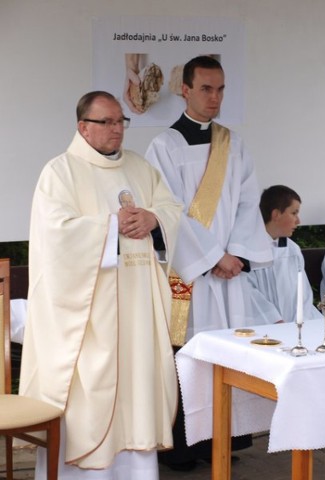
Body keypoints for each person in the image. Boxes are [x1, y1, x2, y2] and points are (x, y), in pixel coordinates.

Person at [19, 91, 182, 479]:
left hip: (137, 307)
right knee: (89, 394)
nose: (117, 130)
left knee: (135, 392)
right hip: (89, 316)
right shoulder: (60, 172)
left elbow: (171, 208)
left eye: (121, 121)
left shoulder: (141, 168)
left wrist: (154, 221)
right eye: (106, 122)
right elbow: (56, 236)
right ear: (83, 127)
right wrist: (111, 227)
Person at [145, 55, 272, 470]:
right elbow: (166, 212)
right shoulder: (164, 146)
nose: (214, 97)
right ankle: (182, 446)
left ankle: (219, 438)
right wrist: (214, 256)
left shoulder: (233, 144)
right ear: (185, 89)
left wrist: (234, 255)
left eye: (220, 89)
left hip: (228, 274)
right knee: (189, 357)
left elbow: (249, 203)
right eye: (205, 88)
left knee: (228, 353)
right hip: (190, 275)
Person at [247, 185, 322, 324]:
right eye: (294, 213)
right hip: (264, 328)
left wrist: (300, 322)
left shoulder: (292, 250)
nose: (298, 221)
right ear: (276, 214)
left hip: (297, 326)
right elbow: (248, 293)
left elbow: (304, 294)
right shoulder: (248, 250)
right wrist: (274, 320)